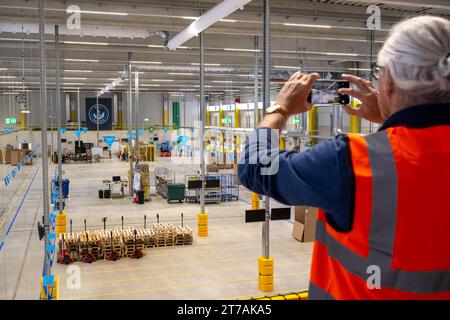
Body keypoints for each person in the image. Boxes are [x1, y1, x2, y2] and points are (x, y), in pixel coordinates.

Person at [238, 15, 450, 300]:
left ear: (388, 83)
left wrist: (280, 109)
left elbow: (256, 166)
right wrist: (390, 119)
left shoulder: (350, 160)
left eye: (379, 72)